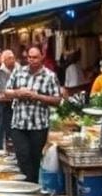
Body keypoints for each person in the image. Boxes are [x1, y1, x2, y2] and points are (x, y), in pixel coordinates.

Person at [5, 46, 62, 183]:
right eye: (30, 57)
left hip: (38, 125)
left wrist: (37, 96)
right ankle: (26, 185)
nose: (32, 60)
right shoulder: (18, 72)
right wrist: (18, 93)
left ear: (41, 57)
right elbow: (6, 92)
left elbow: (57, 100)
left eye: (35, 57)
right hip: (19, 123)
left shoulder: (49, 76)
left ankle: (32, 184)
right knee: (22, 155)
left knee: (35, 158)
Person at [1, 49, 17, 140]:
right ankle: (8, 137)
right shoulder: (1, 69)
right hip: (4, 100)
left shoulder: (18, 68)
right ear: (5, 60)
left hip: (15, 98)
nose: (12, 60)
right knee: (6, 119)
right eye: (10, 58)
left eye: (13, 58)